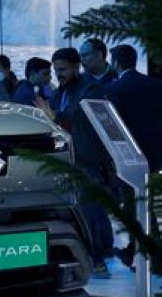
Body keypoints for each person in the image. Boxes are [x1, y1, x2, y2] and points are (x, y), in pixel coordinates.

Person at [38, 47, 114, 278]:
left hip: (87, 160)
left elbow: (84, 120)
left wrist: (56, 117)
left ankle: (99, 259)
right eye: (56, 69)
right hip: (67, 159)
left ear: (75, 66)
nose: (58, 74)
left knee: (92, 211)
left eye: (62, 69)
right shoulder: (61, 92)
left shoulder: (90, 90)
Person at [105, 44, 162, 172]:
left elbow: (114, 125)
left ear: (116, 63)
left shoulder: (114, 88)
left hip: (133, 151)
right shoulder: (157, 84)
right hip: (157, 147)